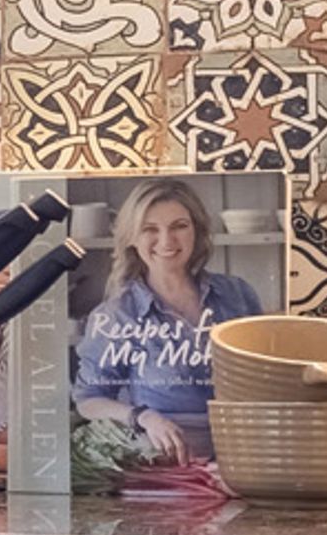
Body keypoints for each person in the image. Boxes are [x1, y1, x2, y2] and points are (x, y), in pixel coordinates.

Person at [71, 180, 260, 465]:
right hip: (167, 465)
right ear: (132, 238)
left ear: (196, 230)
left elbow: (264, 377)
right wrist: (144, 417)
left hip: (245, 456)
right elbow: (88, 400)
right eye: (150, 229)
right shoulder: (117, 315)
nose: (167, 241)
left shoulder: (237, 295)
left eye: (179, 226)